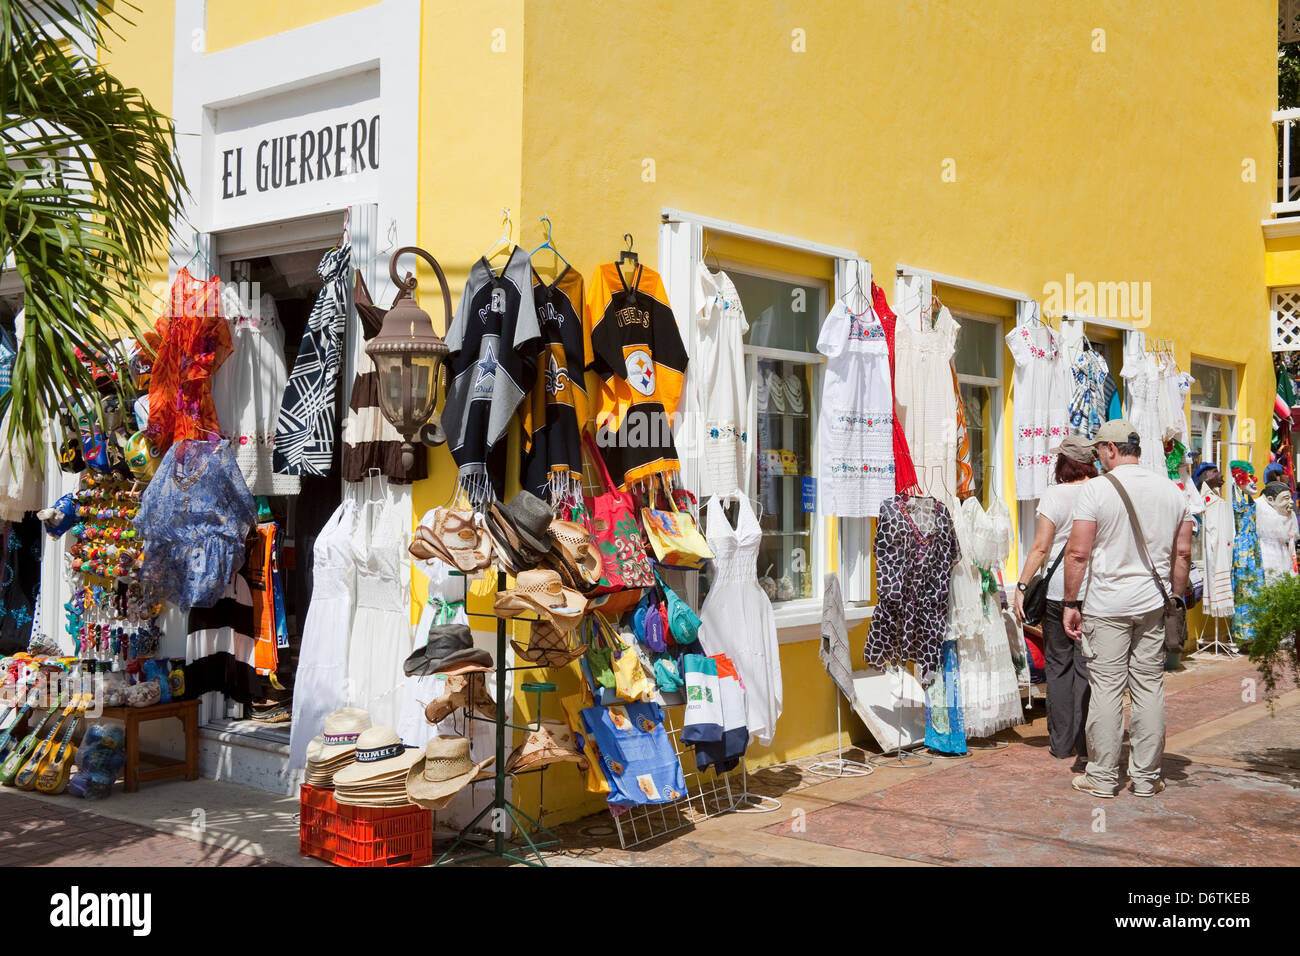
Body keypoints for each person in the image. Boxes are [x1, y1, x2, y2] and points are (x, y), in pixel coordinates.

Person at [1061, 420, 1194, 799]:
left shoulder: (1097, 490)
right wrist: (1176, 598)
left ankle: (1103, 777)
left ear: (1111, 449)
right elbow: (1183, 553)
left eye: (1099, 451)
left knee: (1106, 688)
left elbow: (1078, 553)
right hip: (1152, 603)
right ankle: (1147, 778)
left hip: (1107, 605)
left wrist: (1071, 602)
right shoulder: (1172, 492)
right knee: (1149, 687)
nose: (1098, 458)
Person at [1014, 435, 1096, 766]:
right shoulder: (1103, 490)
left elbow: (1041, 547)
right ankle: (1088, 741)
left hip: (1059, 592)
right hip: (1095, 590)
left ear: (1064, 462)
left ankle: (1062, 743)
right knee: (1089, 667)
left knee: (1059, 666)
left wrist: (1021, 585)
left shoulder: (1056, 495)